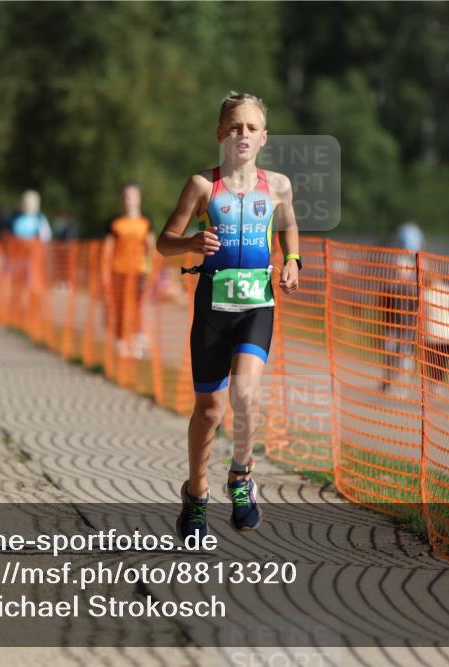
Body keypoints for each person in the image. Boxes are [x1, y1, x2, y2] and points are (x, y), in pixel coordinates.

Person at [156, 91, 300, 540]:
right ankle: (196, 494)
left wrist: (293, 259)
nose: (242, 134)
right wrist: (191, 245)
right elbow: (164, 241)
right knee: (209, 410)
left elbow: (288, 224)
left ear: (263, 138)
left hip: (257, 304)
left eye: (251, 128)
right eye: (234, 127)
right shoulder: (203, 186)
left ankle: (241, 477)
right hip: (213, 308)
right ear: (221, 134)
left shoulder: (277, 186)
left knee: (246, 394)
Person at [103, 181, 155, 359]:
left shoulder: (146, 223)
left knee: (138, 307)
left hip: (139, 272)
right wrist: (106, 271)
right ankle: (121, 341)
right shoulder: (115, 223)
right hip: (118, 271)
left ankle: (137, 340)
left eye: (132, 196)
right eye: (126, 197)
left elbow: (151, 249)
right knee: (119, 308)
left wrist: (150, 270)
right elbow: (107, 249)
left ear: (139, 199)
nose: (129, 200)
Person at [420, 267, 449, 396]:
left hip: (433, 332)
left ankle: (434, 383)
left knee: (433, 360)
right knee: (443, 361)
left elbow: (423, 313)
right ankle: (437, 384)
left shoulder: (427, 293)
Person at [379, 253, 418, 395]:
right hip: (392, 327)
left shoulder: (414, 290)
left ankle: (403, 385)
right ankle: (387, 379)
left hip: (407, 329)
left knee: (405, 357)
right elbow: (383, 305)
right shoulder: (390, 288)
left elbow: (417, 308)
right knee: (389, 354)